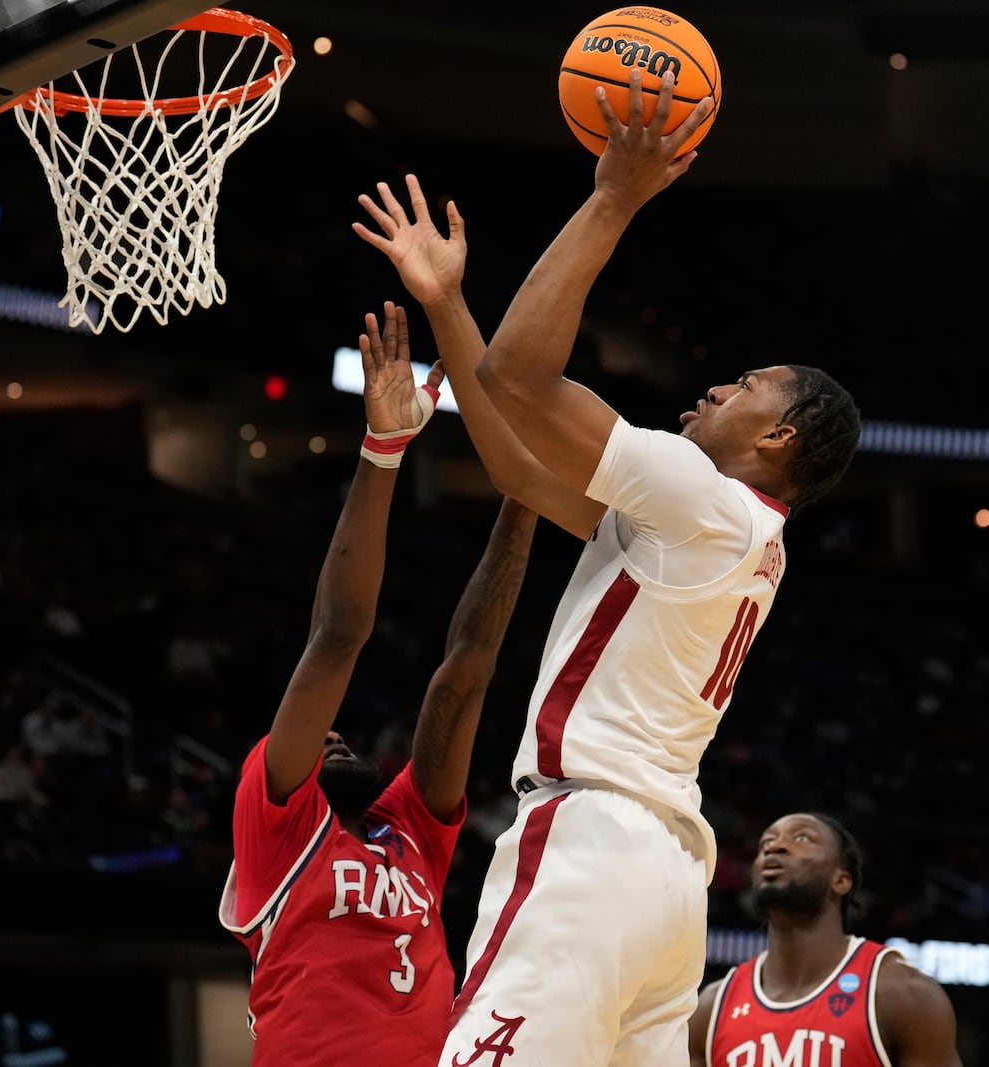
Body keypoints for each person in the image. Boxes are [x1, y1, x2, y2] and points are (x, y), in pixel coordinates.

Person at [354, 69, 861, 1066]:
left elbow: (516, 376)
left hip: (588, 844)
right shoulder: (724, 530)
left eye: (747, 385)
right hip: (666, 878)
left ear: (779, 437)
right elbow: (515, 459)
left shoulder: (701, 498)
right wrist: (449, 306)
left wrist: (614, 195)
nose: (718, 385)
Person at [217, 304, 539, 1066]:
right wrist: (383, 450)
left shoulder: (410, 834)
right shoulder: (279, 832)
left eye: (342, 733)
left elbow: (466, 665)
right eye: (319, 735)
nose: (333, 735)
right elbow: (337, 637)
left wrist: (524, 494)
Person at [688, 813, 963, 1067]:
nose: (775, 847)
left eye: (802, 837)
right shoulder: (711, 1008)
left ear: (841, 880)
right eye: (766, 843)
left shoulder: (903, 995)